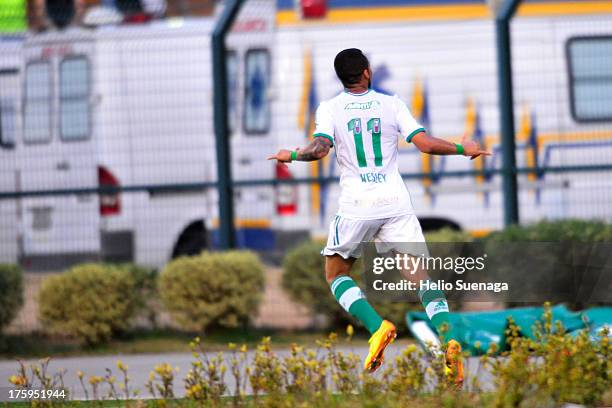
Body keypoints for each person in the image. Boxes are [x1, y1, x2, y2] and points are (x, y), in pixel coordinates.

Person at [268, 48, 490, 384]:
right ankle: (448, 339)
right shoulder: (392, 104)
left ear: (342, 77)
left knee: (336, 275)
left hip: (358, 204)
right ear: (367, 72)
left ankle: (377, 327)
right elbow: (426, 145)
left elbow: (319, 149)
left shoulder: (329, 108)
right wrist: (464, 148)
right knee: (421, 279)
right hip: (395, 202)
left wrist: (292, 154)